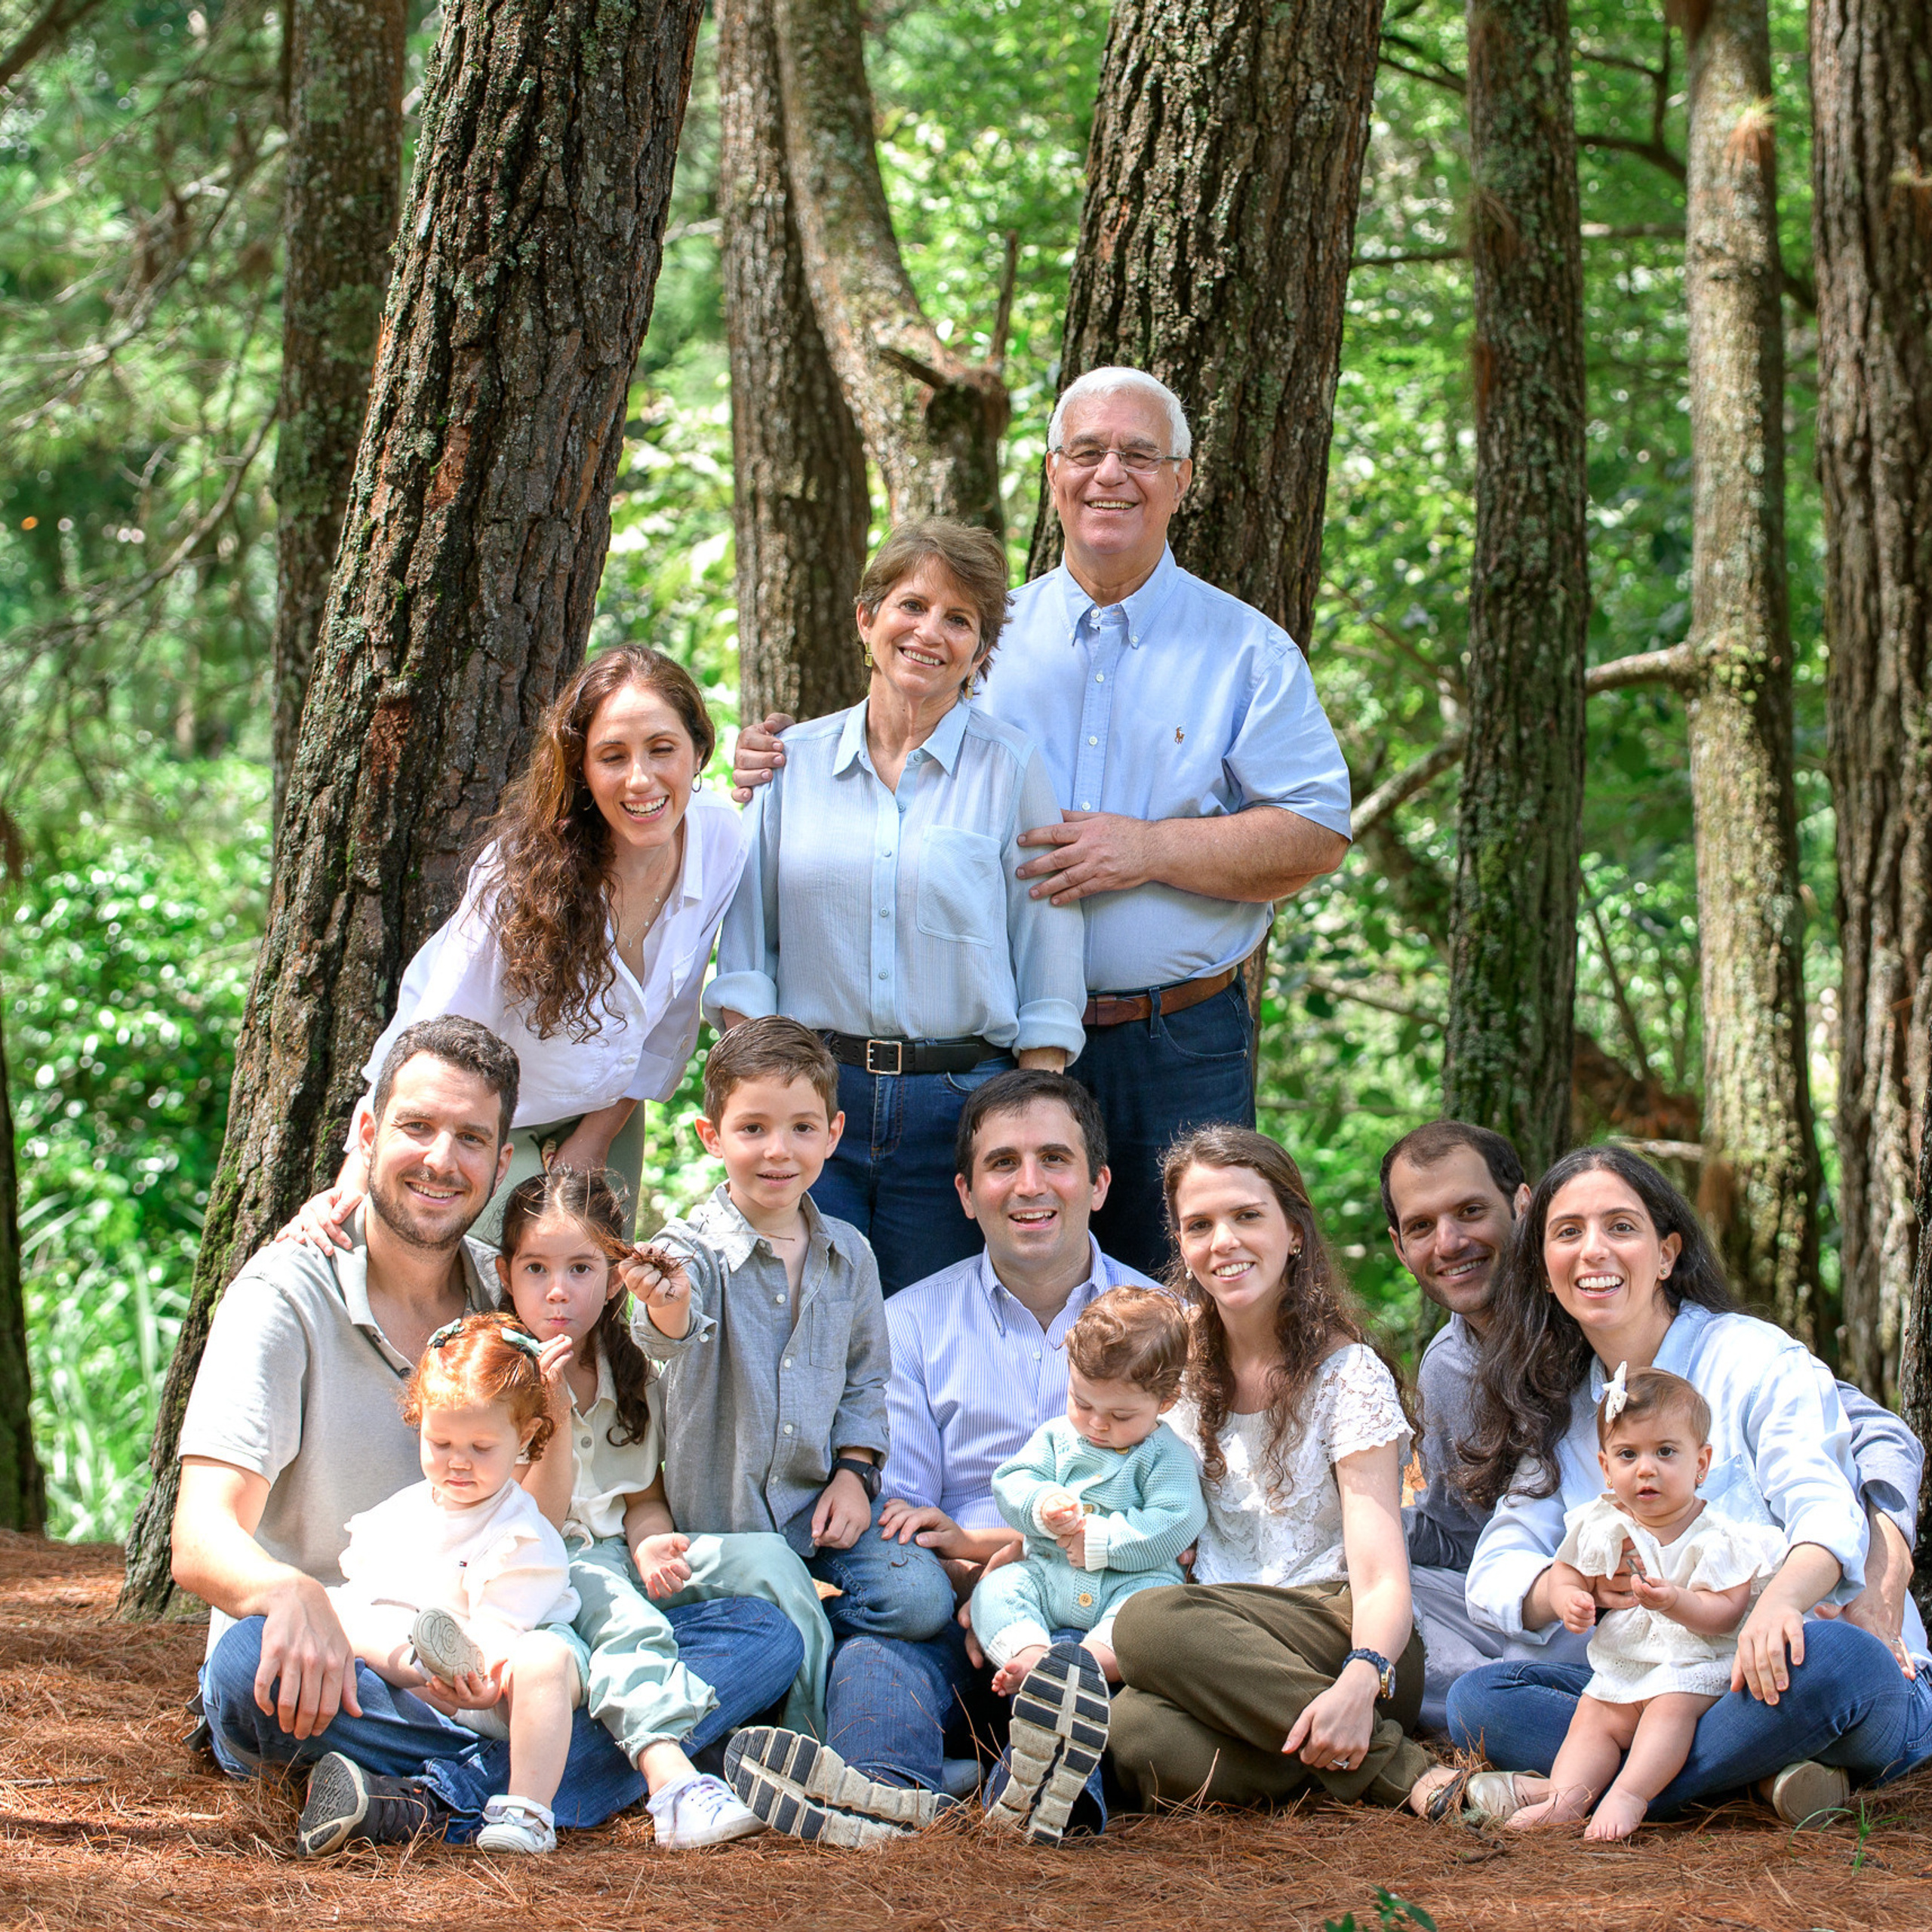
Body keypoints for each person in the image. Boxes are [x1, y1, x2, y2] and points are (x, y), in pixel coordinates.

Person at [732, 369, 1352, 1278]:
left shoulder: (1245, 650)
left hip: (1170, 1042)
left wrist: (1146, 848)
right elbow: (881, 785)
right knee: (992, 1299)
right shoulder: (980, 634)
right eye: (1086, 451)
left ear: (1181, 479)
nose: (1111, 474)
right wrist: (773, 761)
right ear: (1053, 471)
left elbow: (1316, 834)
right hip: (986, 1059)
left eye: (1140, 454)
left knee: (1182, 1290)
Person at [172, 1016, 803, 1855]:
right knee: (244, 1664)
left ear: (501, 1164)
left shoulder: (508, 1291)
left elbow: (541, 1516)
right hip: (351, 1662)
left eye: (470, 1138)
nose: (442, 1159)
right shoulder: (285, 1297)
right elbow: (199, 1537)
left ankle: (428, 1800)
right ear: (367, 1133)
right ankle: (575, 1772)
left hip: (502, 1655)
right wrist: (292, 1595)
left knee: (761, 1636)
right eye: (417, 1126)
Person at [720, 1069, 1157, 1847]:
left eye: (1055, 1159)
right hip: (957, 1617)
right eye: (1002, 1163)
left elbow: (1170, 1515)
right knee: (877, 1657)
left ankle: (1034, 1806)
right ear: (965, 1192)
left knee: (1069, 1673)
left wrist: (1024, 1573)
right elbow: (905, 1517)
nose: (1029, 1185)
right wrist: (981, 1587)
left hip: (1100, 1619)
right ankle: (881, 1800)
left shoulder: (1167, 1324)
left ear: (1098, 1184)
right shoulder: (909, 1324)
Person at [1380, 1118, 1926, 1734]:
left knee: (1840, 1661)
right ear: (1545, 1266)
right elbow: (1486, 1551)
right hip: (1651, 1671)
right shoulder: (1556, 1400)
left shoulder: (1748, 1355)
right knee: (1482, 1698)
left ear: (1666, 1254)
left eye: (1620, 1227)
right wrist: (1566, 1585)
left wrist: (1844, 1582)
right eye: (1569, 1233)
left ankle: (1645, 1761)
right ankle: (1718, 1762)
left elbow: (1843, 1476)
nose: (1593, 1251)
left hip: (1787, 1647)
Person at [705, 519, 1086, 1292]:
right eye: (912, 605)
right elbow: (747, 952)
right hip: (812, 1102)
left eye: (959, 619)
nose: (930, 632)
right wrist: (767, 1112)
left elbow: (1046, 954)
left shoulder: (1011, 767)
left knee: (930, 1330)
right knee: (799, 1319)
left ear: (981, 651)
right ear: (866, 618)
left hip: (962, 1106)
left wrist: (1030, 1118)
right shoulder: (789, 766)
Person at [283, 645, 743, 1247]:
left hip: (608, 1116)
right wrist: (355, 1178)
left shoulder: (720, 839)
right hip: (484, 1124)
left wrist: (595, 1139)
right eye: (612, 756)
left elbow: (666, 1025)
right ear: (581, 769)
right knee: (482, 1293)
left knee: (586, 1293)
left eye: (662, 749)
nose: (640, 779)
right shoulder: (519, 875)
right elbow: (433, 1030)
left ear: (698, 750)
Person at [1106, 1125, 1444, 1816]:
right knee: (1134, 1731)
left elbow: (1381, 1577)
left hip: (1347, 1636)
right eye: (1199, 1225)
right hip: (1223, 1652)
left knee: (1146, 1624)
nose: (1223, 1242)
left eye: (1246, 1216)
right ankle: (1354, 1761)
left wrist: (1361, 1678)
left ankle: (1406, 1771)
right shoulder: (1175, 1365)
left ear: (1293, 1231)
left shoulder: (1347, 1374)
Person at [495, 1164, 817, 1849]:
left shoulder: (628, 1367)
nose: (558, 1289)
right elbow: (534, 1529)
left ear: (615, 1279)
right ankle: (672, 1786)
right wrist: (553, 1409)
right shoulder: (497, 1372)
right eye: (536, 1269)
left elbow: (642, 1496)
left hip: (620, 1555)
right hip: (543, 1566)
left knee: (773, 1562)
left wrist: (651, 1540)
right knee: (619, 1609)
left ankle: (811, 1747)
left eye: (582, 1268)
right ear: (506, 1274)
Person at [633, 1017, 954, 1640]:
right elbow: (664, 1332)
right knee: (743, 1614)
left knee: (919, 1599)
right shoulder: (689, 1251)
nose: (778, 1150)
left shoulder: (851, 1254)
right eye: (753, 1128)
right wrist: (667, 1302)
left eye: (802, 1128)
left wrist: (854, 1475)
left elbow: (866, 1382)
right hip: (724, 1531)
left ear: (833, 1134)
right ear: (711, 1137)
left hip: (817, 1513)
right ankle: (783, 1620)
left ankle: (802, 1618)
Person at [315, 1312, 585, 1857]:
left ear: (525, 1438)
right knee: (331, 1604)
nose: (458, 1463)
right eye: (440, 1443)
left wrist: (483, 1673)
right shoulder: (403, 1513)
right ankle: (419, 1662)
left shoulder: (521, 1532)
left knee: (543, 1657)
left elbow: (505, 1624)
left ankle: (528, 1809)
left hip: (505, 1685)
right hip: (418, 1675)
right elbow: (367, 1593)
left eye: (481, 1448)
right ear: (419, 1421)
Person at [1505, 1366, 1786, 1839]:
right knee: (1592, 1715)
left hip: (1693, 1664)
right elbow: (1566, 1569)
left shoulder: (1717, 1537)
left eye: (1666, 1452)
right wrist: (1571, 1596)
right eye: (1628, 1455)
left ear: (1701, 1463)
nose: (1646, 1469)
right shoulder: (1603, 1522)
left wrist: (1676, 1601)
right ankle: (1565, 1799)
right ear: (1606, 1467)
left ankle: (1630, 1793)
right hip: (1625, 1664)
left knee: (1668, 1709)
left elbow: (1726, 1612)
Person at [972, 1287, 1204, 1841]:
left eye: (1120, 1415)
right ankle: (1031, 1655)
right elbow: (1012, 1482)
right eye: (1082, 1404)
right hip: (1050, 1578)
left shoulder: (1164, 1454)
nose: (1097, 1425)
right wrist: (1040, 1506)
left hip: (1127, 1586)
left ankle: (1087, 1667)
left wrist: (1102, 1541)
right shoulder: (1057, 1438)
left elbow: (1177, 1520)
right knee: (997, 1588)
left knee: (1146, 1614)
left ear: (1166, 1400)